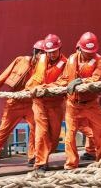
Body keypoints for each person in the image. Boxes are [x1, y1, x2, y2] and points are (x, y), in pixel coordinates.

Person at [0, 40, 45, 168]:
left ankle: (33, 156)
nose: (42, 56)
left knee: (35, 129)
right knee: (4, 129)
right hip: (14, 102)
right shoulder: (20, 60)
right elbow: (4, 75)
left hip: (31, 102)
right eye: (40, 52)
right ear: (35, 52)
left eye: (44, 53)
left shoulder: (45, 67)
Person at [53, 32, 101, 169]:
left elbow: (96, 79)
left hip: (91, 104)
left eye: (92, 52)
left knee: (100, 133)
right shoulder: (71, 59)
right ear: (80, 48)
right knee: (69, 136)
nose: (90, 54)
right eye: (87, 51)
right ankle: (71, 164)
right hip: (73, 104)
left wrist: (80, 81)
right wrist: (50, 86)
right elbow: (65, 78)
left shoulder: (99, 61)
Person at [26, 34, 67, 172]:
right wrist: (34, 88)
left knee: (54, 136)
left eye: (54, 51)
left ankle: (43, 155)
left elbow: (63, 82)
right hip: (39, 101)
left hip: (55, 103)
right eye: (49, 52)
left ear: (59, 49)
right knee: (41, 131)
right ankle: (40, 162)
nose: (51, 55)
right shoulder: (41, 60)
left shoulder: (66, 63)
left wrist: (44, 87)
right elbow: (37, 77)